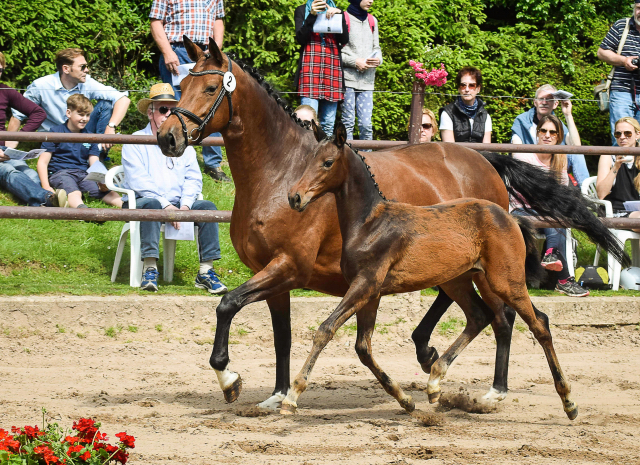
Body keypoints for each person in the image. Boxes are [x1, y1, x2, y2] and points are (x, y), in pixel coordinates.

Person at [121, 83, 228, 294]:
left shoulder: (183, 141)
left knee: (207, 207)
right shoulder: (135, 140)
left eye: (173, 109)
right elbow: (138, 181)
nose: (169, 114)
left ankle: (206, 271)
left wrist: (186, 205)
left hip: (179, 203)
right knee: (151, 204)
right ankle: (149, 268)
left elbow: (193, 178)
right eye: (163, 109)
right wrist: (167, 205)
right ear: (151, 112)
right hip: (145, 201)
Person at [149, 0, 231, 183]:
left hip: (206, 54)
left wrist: (214, 50)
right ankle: (177, 159)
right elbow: (156, 22)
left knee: (211, 104)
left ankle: (213, 164)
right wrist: (167, 51)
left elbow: (218, 21)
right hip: (178, 51)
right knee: (177, 107)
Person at [511, 115, 589, 297]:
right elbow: (527, 192)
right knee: (554, 215)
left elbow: (560, 192)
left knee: (556, 215)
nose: (547, 135)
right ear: (537, 133)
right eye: (543, 131)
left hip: (546, 209)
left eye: (552, 132)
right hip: (522, 207)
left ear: (558, 136)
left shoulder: (559, 160)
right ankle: (564, 279)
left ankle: (553, 256)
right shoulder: (524, 155)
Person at [8, 48, 131, 157]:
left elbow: (123, 98)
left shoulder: (87, 82)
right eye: (82, 67)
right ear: (66, 69)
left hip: (80, 130)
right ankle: (86, 154)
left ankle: (97, 153)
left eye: (86, 66)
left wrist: (111, 127)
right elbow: (18, 115)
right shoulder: (41, 85)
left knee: (106, 105)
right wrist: (8, 146)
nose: (87, 70)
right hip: (54, 137)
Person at [0, 52, 66, 208]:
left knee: (29, 173)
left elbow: (38, 113)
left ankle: (41, 201)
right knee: (10, 172)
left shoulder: (5, 90)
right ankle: (47, 199)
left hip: (3, 150)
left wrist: (18, 137)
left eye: (0, 70)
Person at [37, 94, 122, 209]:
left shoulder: (90, 136)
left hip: (83, 174)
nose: (85, 119)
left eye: (87, 115)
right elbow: (43, 162)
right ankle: (83, 211)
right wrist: (46, 186)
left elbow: (94, 161)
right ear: (69, 113)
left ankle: (130, 207)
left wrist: (102, 180)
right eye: (81, 114)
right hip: (61, 172)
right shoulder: (55, 132)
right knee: (75, 192)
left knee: (105, 191)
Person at [511, 84, 590, 187]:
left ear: (556, 104)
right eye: (541, 99)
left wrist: (568, 115)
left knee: (577, 154)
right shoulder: (522, 120)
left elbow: (576, 147)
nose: (544, 102)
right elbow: (516, 152)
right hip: (530, 164)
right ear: (535, 102)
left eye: (548, 99)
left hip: (555, 163)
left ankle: (587, 193)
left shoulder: (558, 123)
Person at [294, 0, 349, 135]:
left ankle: (325, 155)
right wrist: (312, 15)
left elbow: (344, 39)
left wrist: (340, 16)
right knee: (307, 121)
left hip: (332, 68)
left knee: (328, 123)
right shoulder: (302, 10)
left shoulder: (337, 10)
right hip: (310, 67)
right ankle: (307, 154)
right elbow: (300, 38)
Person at [597, 2, 640, 142]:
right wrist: (624, 61)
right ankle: (620, 164)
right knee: (621, 139)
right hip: (621, 91)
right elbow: (602, 52)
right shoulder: (622, 26)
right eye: (639, 8)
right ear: (634, 8)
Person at [340, 0, 381, 141]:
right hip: (348, 81)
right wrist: (355, 62)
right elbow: (336, 52)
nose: (371, 1)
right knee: (348, 123)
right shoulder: (343, 19)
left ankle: (367, 160)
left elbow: (377, 48)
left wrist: (378, 60)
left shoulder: (372, 20)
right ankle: (348, 159)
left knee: (366, 125)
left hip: (367, 82)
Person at [596, 117, 640, 231]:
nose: (622, 137)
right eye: (618, 134)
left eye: (627, 133)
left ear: (637, 134)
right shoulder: (608, 156)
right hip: (614, 212)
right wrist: (616, 167)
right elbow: (601, 194)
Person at [439, 67, 491, 143]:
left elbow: (487, 148)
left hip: (479, 154)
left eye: (471, 85)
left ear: (478, 89)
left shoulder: (485, 115)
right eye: (463, 85)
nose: (467, 89)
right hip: (455, 154)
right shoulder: (447, 113)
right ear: (458, 88)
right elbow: (449, 148)